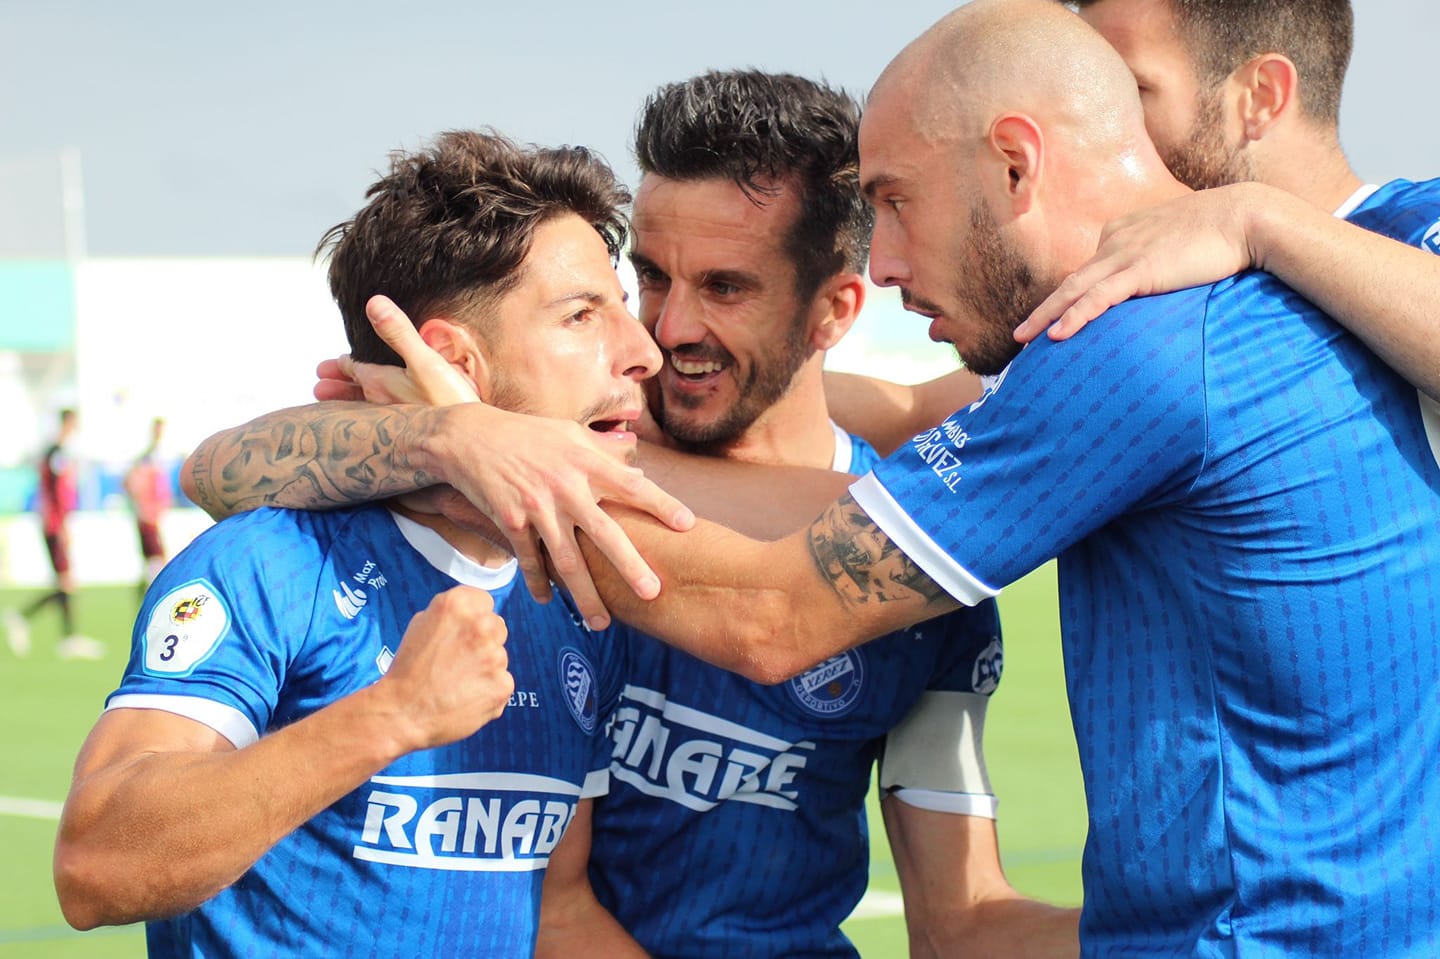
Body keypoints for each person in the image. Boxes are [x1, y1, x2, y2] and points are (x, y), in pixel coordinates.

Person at [259, 2, 1439, 953]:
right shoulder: (1272, 317)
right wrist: (443, 439)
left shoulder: (1135, 342)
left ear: (1015, 164)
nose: (886, 261)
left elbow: (776, 611)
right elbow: (862, 462)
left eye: (895, 202)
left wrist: (470, 449)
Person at [182, 70, 1079, 958]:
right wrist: (451, 438)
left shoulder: (907, 561)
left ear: (835, 309)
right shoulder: (538, 442)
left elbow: (961, 918)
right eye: (650, 275)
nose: (665, 331)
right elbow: (218, 467)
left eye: (726, 287)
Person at [52, 129, 666, 958]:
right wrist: (390, 715)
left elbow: (554, 909)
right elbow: (96, 862)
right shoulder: (271, 562)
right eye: (584, 315)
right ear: (458, 362)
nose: (644, 352)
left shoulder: (578, 593)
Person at [1016, 0, 1440, 407]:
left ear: (1261, 97)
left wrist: (1252, 217)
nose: (1093, 127)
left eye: (1130, 90)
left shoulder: (1422, 216)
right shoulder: (1152, 282)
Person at [3, 408, 104, 660]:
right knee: (66, 582)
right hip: (55, 524)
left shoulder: (56, 453)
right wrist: (62, 525)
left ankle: (68, 637)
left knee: (65, 581)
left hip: (54, 522)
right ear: (69, 423)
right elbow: (56, 492)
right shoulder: (57, 453)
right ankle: (24, 618)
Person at [124, 416, 172, 592]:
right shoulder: (146, 458)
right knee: (158, 560)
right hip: (148, 517)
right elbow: (130, 482)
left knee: (155, 561)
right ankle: (149, 594)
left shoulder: (156, 456)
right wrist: (142, 506)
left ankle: (145, 593)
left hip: (154, 516)